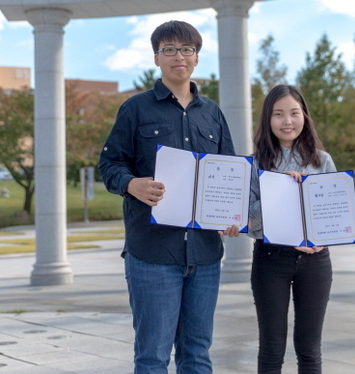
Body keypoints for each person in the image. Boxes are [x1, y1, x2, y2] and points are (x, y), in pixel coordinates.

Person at [98, 20, 239, 374]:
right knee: (152, 357)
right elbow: (110, 164)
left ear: (196, 57)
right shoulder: (136, 109)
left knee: (197, 355)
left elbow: (230, 171)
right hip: (153, 254)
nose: (180, 56)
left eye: (187, 50)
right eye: (170, 50)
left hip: (205, 255)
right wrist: (133, 185)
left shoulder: (212, 113)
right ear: (156, 58)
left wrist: (233, 214)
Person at [248, 84, 336, 374]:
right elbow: (249, 223)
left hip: (315, 261)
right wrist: (280, 192)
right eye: (278, 114)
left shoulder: (321, 161)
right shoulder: (256, 163)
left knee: (310, 349)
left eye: (294, 113)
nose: (287, 121)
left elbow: (334, 211)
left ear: (304, 117)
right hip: (270, 260)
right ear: (268, 120)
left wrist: (322, 240)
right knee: (272, 348)